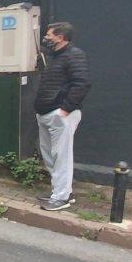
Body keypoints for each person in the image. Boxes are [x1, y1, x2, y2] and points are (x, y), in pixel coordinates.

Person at [34, 22, 91, 212]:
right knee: (50, 156)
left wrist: (65, 110)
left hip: (60, 114)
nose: (46, 38)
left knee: (61, 156)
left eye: (49, 35)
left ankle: (61, 198)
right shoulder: (54, 57)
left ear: (60, 37)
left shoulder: (74, 55)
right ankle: (60, 192)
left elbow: (82, 83)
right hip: (45, 113)